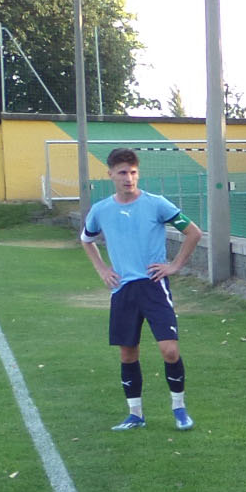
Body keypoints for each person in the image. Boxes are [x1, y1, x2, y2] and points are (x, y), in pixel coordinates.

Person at [81, 148, 204, 432]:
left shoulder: (156, 204)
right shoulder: (101, 210)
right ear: (110, 174)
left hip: (153, 286)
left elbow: (193, 232)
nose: (129, 178)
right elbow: (86, 239)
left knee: (169, 350)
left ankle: (179, 409)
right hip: (122, 290)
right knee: (127, 353)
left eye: (133, 172)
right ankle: (135, 414)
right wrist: (102, 269)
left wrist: (174, 265)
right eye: (122, 172)